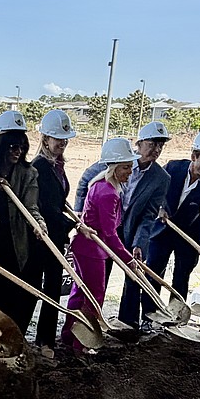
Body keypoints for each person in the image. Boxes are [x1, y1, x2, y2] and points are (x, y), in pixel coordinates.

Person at [74, 121, 171, 327]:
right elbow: (85, 182)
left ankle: (128, 322)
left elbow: (149, 215)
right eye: (152, 144)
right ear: (139, 143)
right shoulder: (115, 159)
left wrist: (139, 243)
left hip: (129, 229)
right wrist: (81, 214)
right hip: (100, 231)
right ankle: (88, 325)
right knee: (97, 281)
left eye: (161, 145)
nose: (157, 149)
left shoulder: (161, 178)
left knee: (133, 274)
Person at [141, 128, 200, 327]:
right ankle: (148, 317)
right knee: (153, 273)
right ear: (194, 156)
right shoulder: (173, 168)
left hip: (188, 236)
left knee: (181, 277)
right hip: (161, 231)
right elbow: (154, 191)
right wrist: (159, 208)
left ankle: (175, 318)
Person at [60, 138, 138, 351]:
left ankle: (69, 335)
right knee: (95, 296)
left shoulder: (100, 184)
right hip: (92, 249)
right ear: (114, 167)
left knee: (79, 292)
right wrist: (127, 259)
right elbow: (110, 234)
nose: (130, 172)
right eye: (125, 167)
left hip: (83, 246)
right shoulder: (108, 193)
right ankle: (82, 343)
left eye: (130, 166)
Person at [0, 110, 45, 333]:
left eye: (21, 147)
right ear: (0, 145)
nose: (18, 152)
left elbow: (31, 207)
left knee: (12, 294)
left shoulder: (28, 173)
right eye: (12, 147)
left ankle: (12, 339)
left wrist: (38, 223)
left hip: (13, 243)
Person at [29, 110, 77, 356]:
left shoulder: (57, 165)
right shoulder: (39, 166)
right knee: (34, 287)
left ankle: (46, 340)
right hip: (41, 235)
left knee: (53, 286)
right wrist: (73, 225)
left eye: (65, 138)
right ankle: (26, 336)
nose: (62, 143)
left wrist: (73, 218)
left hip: (56, 236)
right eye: (58, 138)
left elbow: (58, 199)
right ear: (45, 138)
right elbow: (46, 207)